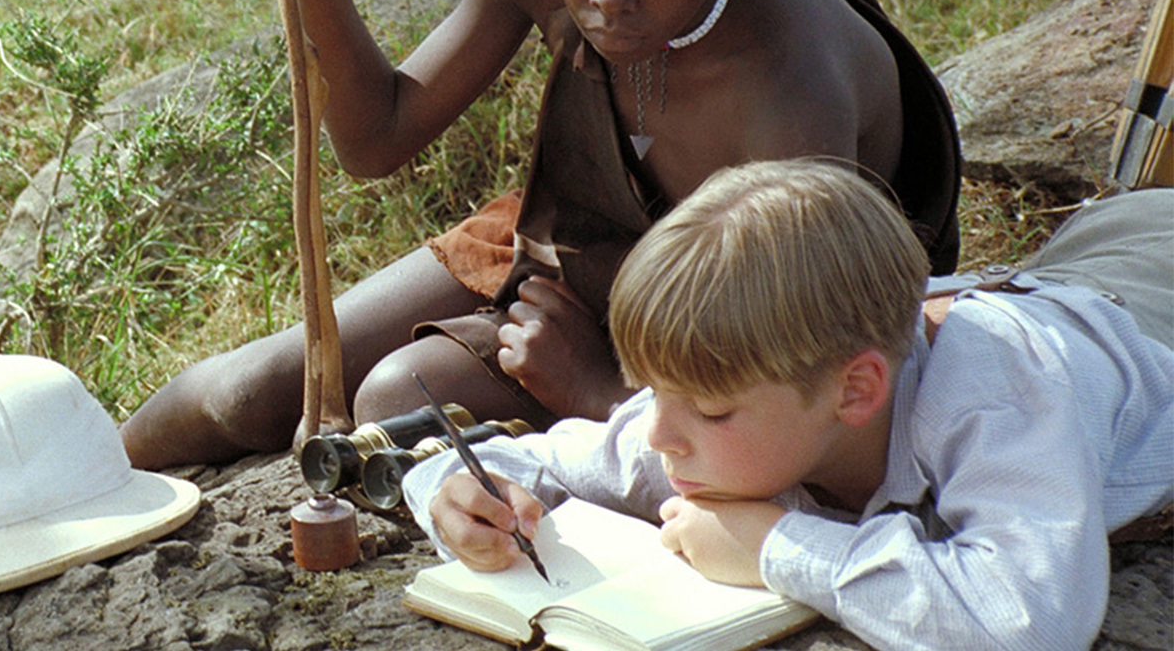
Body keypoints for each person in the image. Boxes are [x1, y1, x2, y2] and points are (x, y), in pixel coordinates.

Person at [119, 0, 960, 471]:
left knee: (396, 400)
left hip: (754, 319)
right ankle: (60, 502)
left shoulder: (791, 81)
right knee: (257, 388)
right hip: (582, 239)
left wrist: (598, 390)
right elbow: (374, 138)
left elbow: (793, 373)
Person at [407, 159, 1174, 651]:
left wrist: (779, 546)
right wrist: (457, 497)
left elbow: (1032, 623)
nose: (661, 436)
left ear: (856, 391)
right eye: (653, 391)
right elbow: (513, 462)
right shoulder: (701, 417)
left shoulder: (998, 397)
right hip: (1064, 268)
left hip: (1149, 290)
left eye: (708, 410)